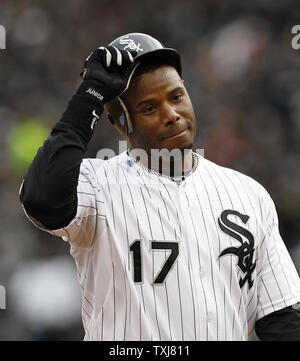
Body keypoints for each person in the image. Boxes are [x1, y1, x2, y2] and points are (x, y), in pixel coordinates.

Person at [20, 33, 300, 341]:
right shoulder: (97, 185)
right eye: (150, 108)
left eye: (177, 96)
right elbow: (41, 200)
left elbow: (282, 318)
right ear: (121, 121)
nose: (172, 115)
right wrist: (91, 94)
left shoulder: (249, 194)